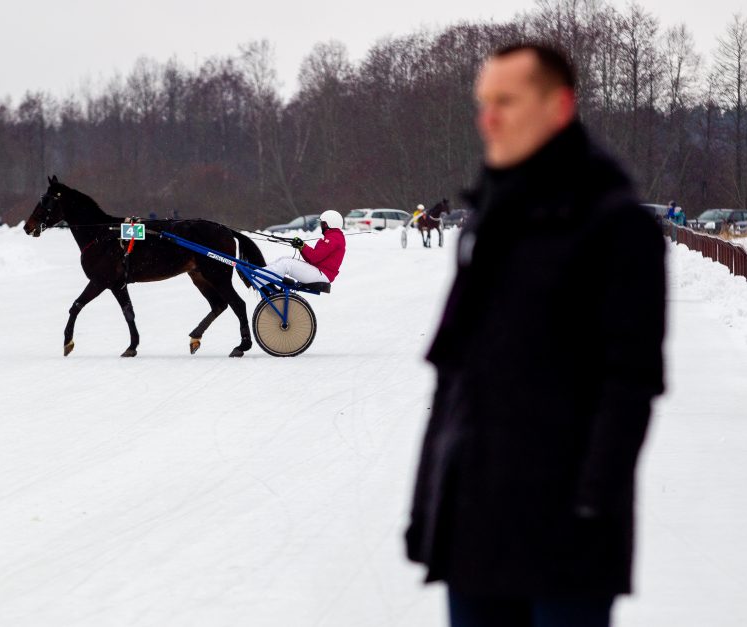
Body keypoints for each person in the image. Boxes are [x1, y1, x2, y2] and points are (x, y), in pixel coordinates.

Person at [405, 43, 666, 627]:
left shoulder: (615, 224)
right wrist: (430, 505)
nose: (488, 118)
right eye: (484, 102)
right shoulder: (488, 219)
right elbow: (453, 375)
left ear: (558, 107)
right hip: (475, 524)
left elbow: (630, 385)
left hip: (564, 537)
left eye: (506, 101)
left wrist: (589, 507)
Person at [257, 209, 345, 291]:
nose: (321, 226)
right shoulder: (333, 237)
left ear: (329, 224)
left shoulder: (333, 238)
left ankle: (256, 278)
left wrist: (302, 246)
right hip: (320, 272)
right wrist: (301, 247)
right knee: (285, 259)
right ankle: (258, 273)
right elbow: (312, 259)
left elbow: (314, 257)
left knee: (286, 264)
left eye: (323, 224)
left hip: (322, 274)